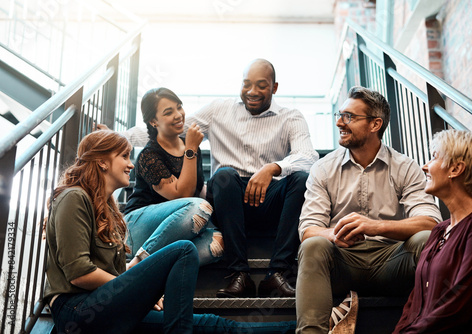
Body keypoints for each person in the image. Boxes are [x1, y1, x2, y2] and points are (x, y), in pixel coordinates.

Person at [100, 59, 318, 297]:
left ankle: (278, 273)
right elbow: (169, 129)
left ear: (274, 88)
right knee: (224, 175)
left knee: (300, 179)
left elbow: (307, 155)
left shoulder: (291, 117)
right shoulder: (219, 110)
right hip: (229, 197)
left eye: (261, 85)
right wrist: (117, 136)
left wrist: (272, 169)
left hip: (270, 196)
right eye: (246, 84)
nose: (252, 91)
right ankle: (239, 274)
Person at [44, 130, 296, 333]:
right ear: (101, 161)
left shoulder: (109, 210)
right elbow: (79, 273)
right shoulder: (73, 197)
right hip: (78, 311)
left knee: (215, 325)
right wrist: (136, 287)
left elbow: (113, 275)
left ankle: (306, 329)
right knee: (183, 250)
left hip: (107, 307)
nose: (131, 165)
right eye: (124, 156)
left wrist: (141, 292)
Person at [295, 86, 442, 333]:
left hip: (392, 262)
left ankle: (434, 327)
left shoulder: (405, 167)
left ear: (375, 124)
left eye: (349, 117)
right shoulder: (323, 168)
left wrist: (376, 226)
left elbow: (430, 222)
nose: (340, 122)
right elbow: (308, 230)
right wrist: (334, 234)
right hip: (343, 261)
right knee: (313, 245)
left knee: (426, 240)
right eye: (339, 115)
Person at [393, 129, 472, 333]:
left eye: (433, 158)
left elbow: (459, 304)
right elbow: (414, 303)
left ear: (455, 169)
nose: (425, 167)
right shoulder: (439, 230)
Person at [123, 88, 223, 268]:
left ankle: (151, 269)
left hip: (175, 227)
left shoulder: (191, 147)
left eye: (179, 107)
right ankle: (138, 261)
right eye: (169, 112)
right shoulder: (149, 155)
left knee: (217, 243)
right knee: (199, 208)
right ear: (153, 121)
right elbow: (183, 195)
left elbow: (197, 189)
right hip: (138, 225)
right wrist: (190, 149)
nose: (178, 115)